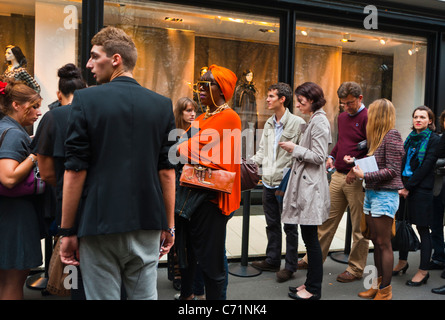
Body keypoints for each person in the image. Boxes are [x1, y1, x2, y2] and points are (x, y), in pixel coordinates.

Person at [59, 26, 176, 300]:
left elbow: (75, 170)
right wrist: (169, 225)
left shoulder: (86, 99)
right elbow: (167, 172)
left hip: (98, 223)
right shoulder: (161, 105)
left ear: (115, 60)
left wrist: (67, 230)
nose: (88, 65)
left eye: (94, 56)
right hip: (147, 220)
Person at [177, 64, 241, 300]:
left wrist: (187, 150)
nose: (201, 88)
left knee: (212, 262)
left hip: (213, 199)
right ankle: (191, 295)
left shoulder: (229, 117)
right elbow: (180, 148)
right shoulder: (204, 116)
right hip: (194, 196)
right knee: (193, 253)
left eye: (207, 83)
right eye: (199, 83)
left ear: (222, 89)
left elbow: (185, 149)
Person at [298, 81, 369, 283]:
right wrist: (331, 155)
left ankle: (355, 268)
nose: (346, 107)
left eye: (350, 103)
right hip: (338, 174)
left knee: (358, 227)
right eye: (343, 104)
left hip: (357, 178)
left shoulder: (368, 117)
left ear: (360, 99)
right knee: (326, 220)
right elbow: (342, 142)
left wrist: (356, 170)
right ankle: (313, 259)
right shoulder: (343, 117)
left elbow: (372, 148)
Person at [30, 63, 87, 300]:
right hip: (96, 201)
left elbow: (45, 171)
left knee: (71, 260)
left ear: (58, 94)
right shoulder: (93, 115)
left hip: (62, 200)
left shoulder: (52, 118)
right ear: (84, 90)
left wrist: (63, 186)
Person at [280, 82, 331, 300]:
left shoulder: (319, 122)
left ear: (312, 100)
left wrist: (295, 148)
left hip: (311, 188)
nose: (298, 105)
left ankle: (314, 290)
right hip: (307, 185)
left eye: (301, 101)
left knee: (311, 240)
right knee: (309, 239)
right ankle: (310, 284)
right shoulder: (316, 120)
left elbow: (319, 157)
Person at [250, 82, 305, 282]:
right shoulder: (269, 123)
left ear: (283, 99)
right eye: (268, 95)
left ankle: (289, 267)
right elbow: (263, 151)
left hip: (286, 183)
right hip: (267, 181)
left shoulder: (298, 123)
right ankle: (272, 259)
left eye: (272, 96)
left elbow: (302, 154)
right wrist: (248, 164)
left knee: (290, 226)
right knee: (271, 223)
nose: (267, 99)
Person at [352, 98, 404, 300]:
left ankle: (385, 291)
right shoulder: (378, 137)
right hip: (372, 193)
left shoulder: (392, 136)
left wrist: (365, 176)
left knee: (384, 244)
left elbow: (392, 170)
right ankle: (377, 284)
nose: (367, 116)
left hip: (384, 195)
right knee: (375, 241)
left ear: (379, 115)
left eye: (371, 112)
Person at [0, 80, 43, 299]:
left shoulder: (6, 128)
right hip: (14, 217)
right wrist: (34, 156)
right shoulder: (14, 133)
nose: (38, 112)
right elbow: (8, 177)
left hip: (6, 214)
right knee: (13, 282)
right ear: (16, 105)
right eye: (33, 106)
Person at [393, 106, 440, 287]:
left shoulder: (434, 140)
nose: (418, 119)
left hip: (421, 190)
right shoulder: (410, 139)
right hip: (403, 187)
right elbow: (401, 162)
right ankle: (402, 262)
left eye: (422, 117)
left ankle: (423, 271)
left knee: (422, 229)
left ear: (430, 121)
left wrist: (408, 187)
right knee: (403, 225)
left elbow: (426, 166)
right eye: (415, 117)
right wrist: (401, 185)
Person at [431, 110, 445, 295]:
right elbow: (434, 157)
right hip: (438, 188)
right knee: (435, 223)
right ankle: (439, 257)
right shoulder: (440, 137)